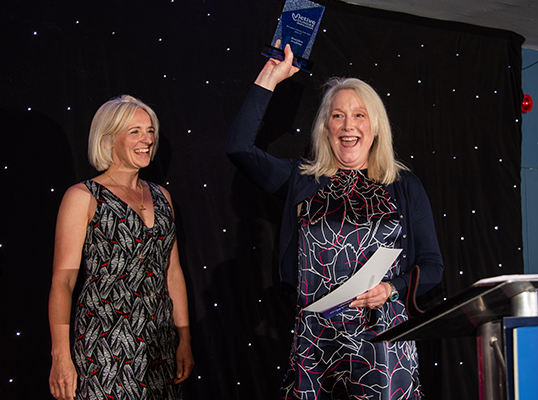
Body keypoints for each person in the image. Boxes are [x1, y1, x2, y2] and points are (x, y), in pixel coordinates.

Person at [226, 45, 444, 399]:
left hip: (382, 343)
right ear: (325, 128)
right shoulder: (301, 179)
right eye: (337, 115)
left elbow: (433, 266)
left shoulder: (404, 185)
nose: (348, 125)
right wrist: (270, 76)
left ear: (375, 127)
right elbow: (238, 148)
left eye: (359, 115)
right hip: (316, 341)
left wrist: (392, 288)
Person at [48, 95, 194, 400]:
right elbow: (63, 281)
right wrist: (60, 355)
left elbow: (172, 273)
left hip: (159, 344)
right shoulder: (82, 197)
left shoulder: (162, 196)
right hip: (105, 347)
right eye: (135, 131)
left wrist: (184, 338)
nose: (147, 140)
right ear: (108, 139)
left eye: (150, 131)